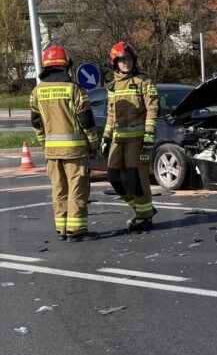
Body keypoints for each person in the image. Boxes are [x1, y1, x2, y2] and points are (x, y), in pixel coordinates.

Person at [29, 45, 99, 241]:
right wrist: (93, 144)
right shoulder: (75, 89)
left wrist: (44, 144)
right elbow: (86, 121)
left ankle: (61, 228)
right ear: (66, 64)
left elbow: (36, 122)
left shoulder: (37, 92)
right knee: (77, 189)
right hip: (75, 152)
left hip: (52, 152)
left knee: (58, 189)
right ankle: (76, 230)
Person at [101, 42, 159, 232]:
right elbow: (111, 114)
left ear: (134, 61)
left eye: (128, 59)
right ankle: (144, 209)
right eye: (121, 60)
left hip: (139, 139)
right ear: (114, 63)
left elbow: (152, 108)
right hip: (118, 139)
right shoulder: (112, 87)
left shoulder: (144, 81)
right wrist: (106, 137)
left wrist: (149, 134)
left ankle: (144, 218)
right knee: (113, 176)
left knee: (136, 177)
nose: (125, 63)